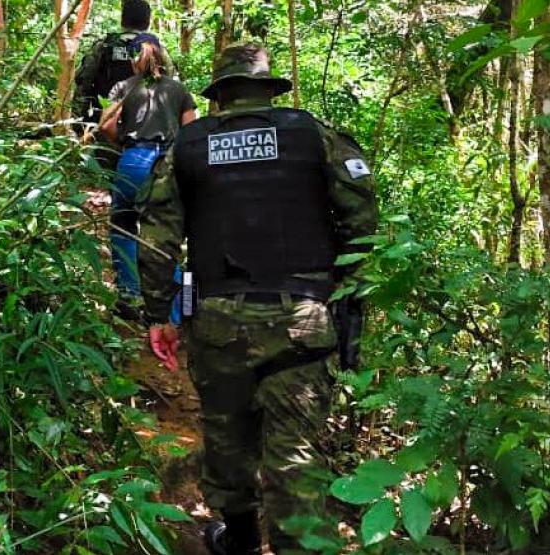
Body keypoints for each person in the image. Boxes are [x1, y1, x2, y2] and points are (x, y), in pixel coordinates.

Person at [136, 43, 378, 554]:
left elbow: (157, 238)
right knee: (294, 455)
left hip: (219, 319)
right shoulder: (311, 134)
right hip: (303, 316)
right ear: (268, 90)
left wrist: (159, 314)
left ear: (220, 95)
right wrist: (342, 283)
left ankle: (239, 540)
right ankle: (297, 544)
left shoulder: (188, 145)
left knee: (227, 435)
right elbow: (362, 219)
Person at [99, 39, 197, 317]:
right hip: (166, 163)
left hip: (132, 161)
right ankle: (179, 312)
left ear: (134, 61)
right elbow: (189, 135)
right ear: (164, 58)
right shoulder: (178, 90)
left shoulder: (123, 87)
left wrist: (124, 142)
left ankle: (130, 300)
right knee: (170, 236)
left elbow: (105, 125)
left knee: (123, 228)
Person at [73, 0, 175, 149]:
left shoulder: (104, 46)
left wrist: (79, 124)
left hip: (104, 125)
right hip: (145, 129)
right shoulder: (157, 49)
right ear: (148, 21)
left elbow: (83, 83)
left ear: (122, 19)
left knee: (105, 168)